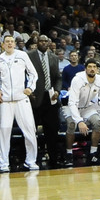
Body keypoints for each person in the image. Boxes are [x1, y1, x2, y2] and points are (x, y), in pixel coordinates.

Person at [0, 34, 39, 173]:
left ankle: (31, 161)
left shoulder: (22, 55)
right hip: (5, 101)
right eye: (7, 42)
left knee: (30, 130)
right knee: (4, 131)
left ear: (15, 43)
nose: (9, 43)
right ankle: (3, 163)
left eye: (12, 41)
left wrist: (30, 88)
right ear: (2, 44)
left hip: (21, 99)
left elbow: (33, 74)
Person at [26, 34, 63, 168]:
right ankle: (31, 159)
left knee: (52, 130)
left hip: (50, 96)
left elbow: (58, 78)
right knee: (31, 130)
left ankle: (53, 159)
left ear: (48, 43)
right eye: (40, 41)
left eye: (45, 41)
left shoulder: (53, 57)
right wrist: (28, 91)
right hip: (34, 97)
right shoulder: (29, 55)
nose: (43, 43)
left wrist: (58, 91)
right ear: (37, 42)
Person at [65, 59, 100, 165]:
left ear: (97, 69)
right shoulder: (77, 79)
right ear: (85, 69)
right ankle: (68, 153)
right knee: (71, 123)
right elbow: (72, 103)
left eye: (94, 67)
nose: (92, 69)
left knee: (98, 122)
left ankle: (93, 153)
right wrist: (80, 121)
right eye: (90, 66)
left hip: (87, 108)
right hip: (70, 107)